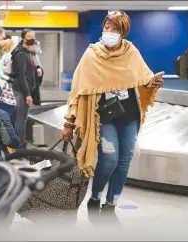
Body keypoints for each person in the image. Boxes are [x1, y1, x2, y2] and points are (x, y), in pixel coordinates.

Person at [60, 10, 164, 224]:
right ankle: (95, 198)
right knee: (109, 159)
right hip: (102, 119)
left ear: (123, 32)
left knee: (124, 161)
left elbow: (143, 78)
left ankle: (110, 205)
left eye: (115, 29)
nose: (109, 32)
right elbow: (77, 90)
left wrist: (152, 83)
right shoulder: (92, 54)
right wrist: (69, 122)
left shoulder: (130, 51)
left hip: (130, 116)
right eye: (107, 27)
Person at [11, 29, 37, 143]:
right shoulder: (21, 54)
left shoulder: (27, 53)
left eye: (34, 36)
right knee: (21, 119)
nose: (32, 39)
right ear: (23, 38)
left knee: (22, 119)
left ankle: (19, 144)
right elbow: (21, 75)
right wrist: (27, 94)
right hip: (21, 91)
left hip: (24, 90)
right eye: (29, 36)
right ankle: (19, 146)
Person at [0, 38, 17, 121]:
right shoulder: (10, 57)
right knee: (8, 115)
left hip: (1, 88)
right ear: (12, 46)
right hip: (7, 89)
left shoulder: (3, 57)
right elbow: (9, 74)